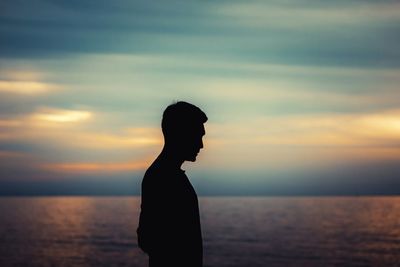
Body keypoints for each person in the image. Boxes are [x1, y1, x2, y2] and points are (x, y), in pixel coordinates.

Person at [137, 101, 207, 267]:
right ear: (182, 134)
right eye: (198, 136)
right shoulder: (162, 177)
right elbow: (146, 238)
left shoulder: (169, 175)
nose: (201, 145)